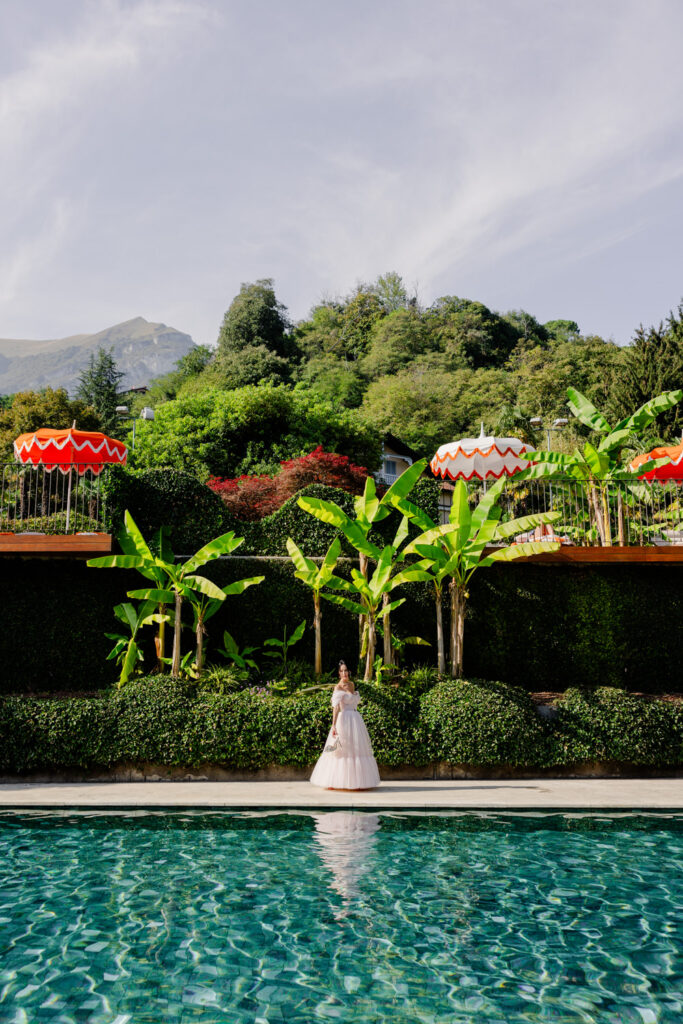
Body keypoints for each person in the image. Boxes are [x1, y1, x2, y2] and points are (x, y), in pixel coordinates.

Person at [310, 661, 380, 791]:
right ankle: (333, 780)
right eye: (342, 671)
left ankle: (357, 782)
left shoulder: (352, 685)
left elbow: (354, 703)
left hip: (355, 719)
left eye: (346, 670)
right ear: (339, 673)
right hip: (344, 720)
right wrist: (334, 725)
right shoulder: (338, 687)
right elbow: (336, 707)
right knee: (340, 751)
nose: (344, 673)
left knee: (356, 750)